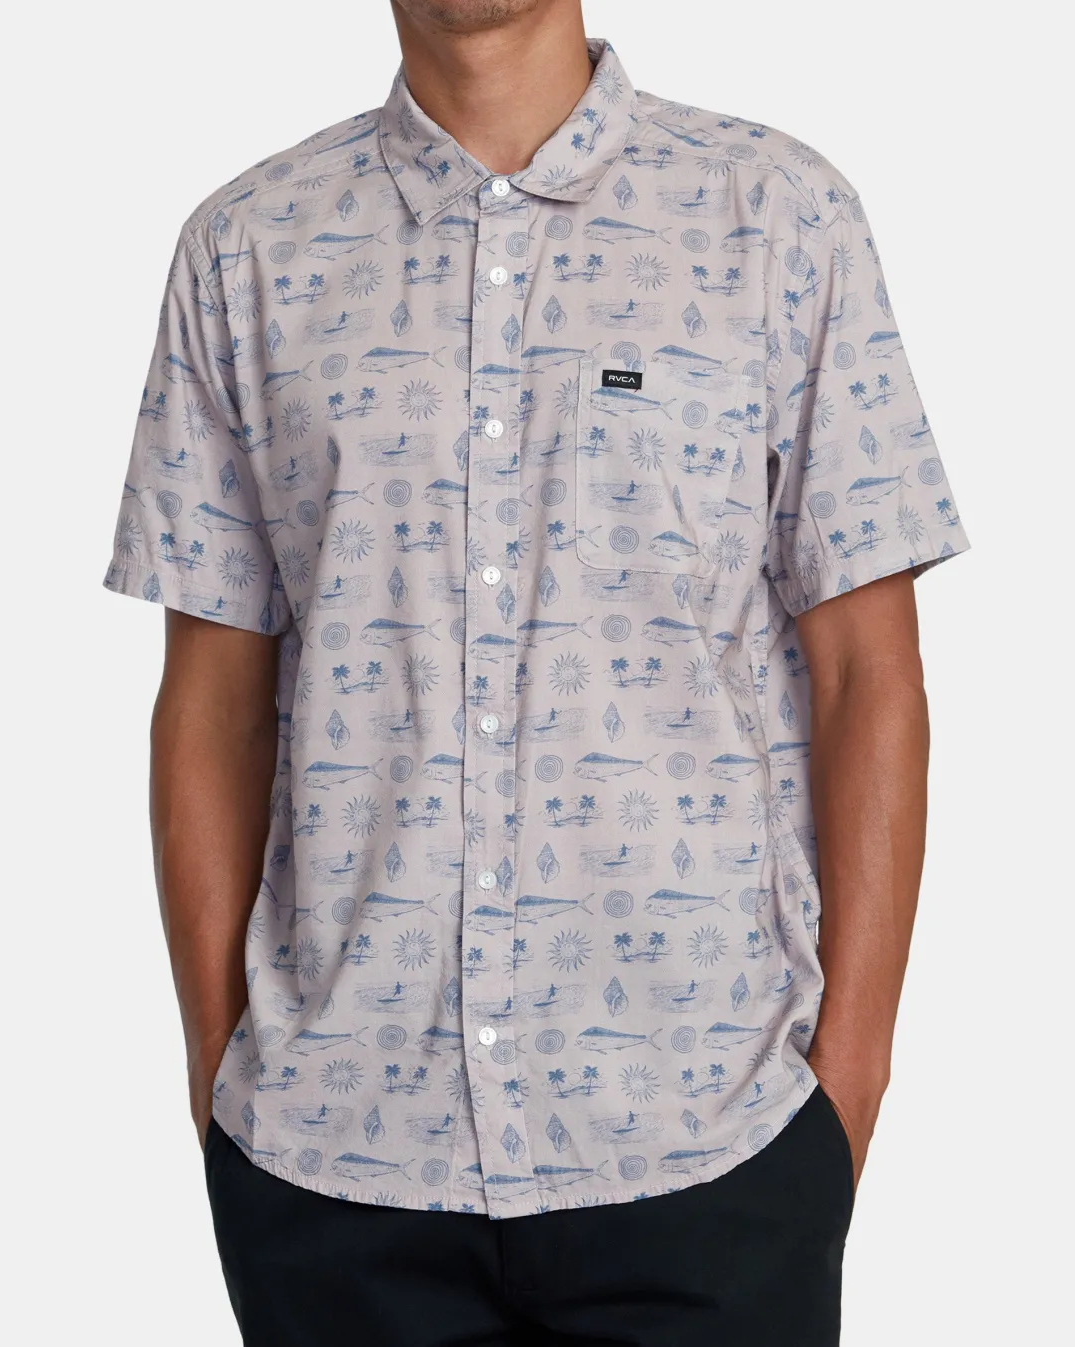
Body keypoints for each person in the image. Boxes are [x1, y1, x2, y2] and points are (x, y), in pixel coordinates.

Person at [102, 2, 970, 1343]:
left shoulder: (780, 220)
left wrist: (843, 1094)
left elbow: (870, 673)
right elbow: (210, 699)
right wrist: (225, 1080)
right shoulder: (246, 248)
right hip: (332, 1169)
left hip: (713, 1149)